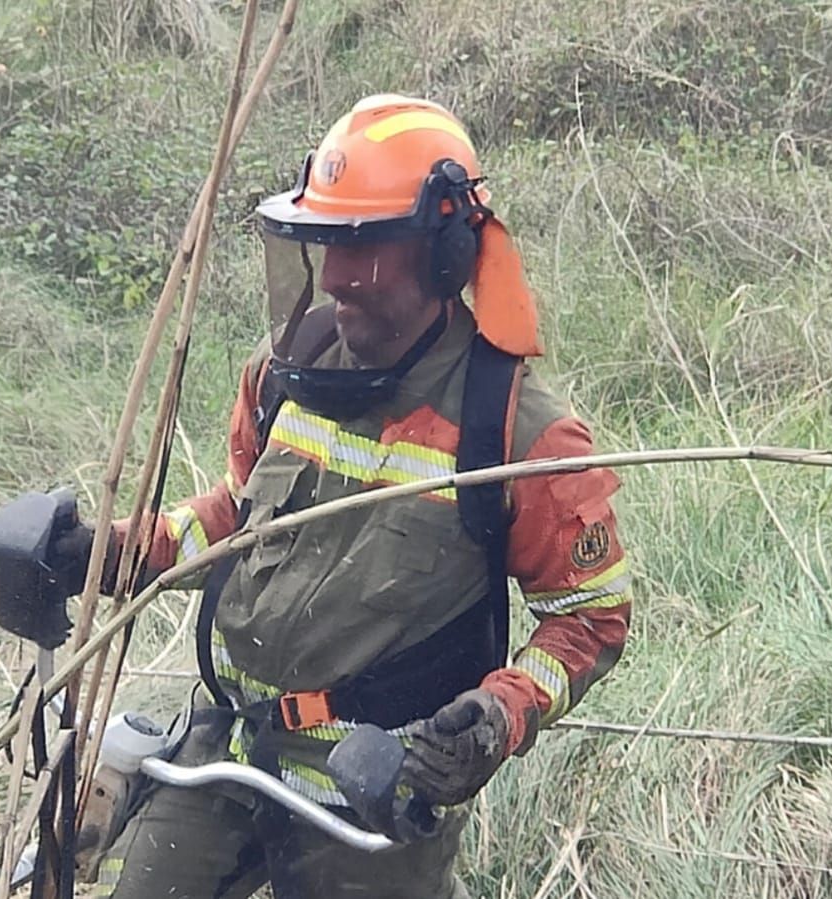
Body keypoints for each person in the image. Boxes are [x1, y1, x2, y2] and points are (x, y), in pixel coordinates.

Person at [64, 94, 632, 898]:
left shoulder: (518, 433)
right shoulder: (286, 369)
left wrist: (497, 715)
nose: (334, 279)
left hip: (373, 788)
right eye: (323, 245)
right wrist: (114, 552)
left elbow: (592, 615)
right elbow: (233, 516)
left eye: (362, 253)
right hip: (227, 746)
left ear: (441, 258)